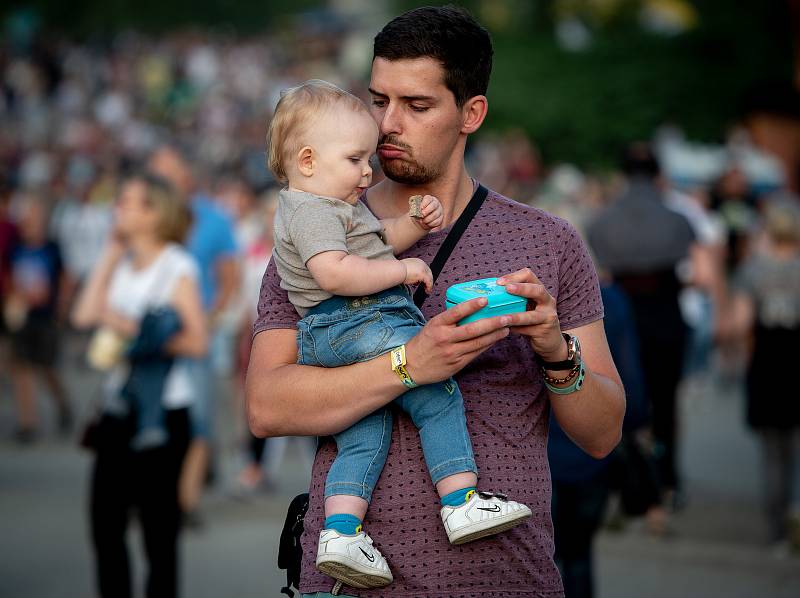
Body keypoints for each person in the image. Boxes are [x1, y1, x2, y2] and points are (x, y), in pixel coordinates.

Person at [247, 6, 625, 597]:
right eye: (378, 101)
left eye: (416, 106)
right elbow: (266, 407)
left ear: (470, 113)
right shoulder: (314, 235)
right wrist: (408, 365)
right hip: (349, 586)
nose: (387, 125)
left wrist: (555, 349)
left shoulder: (546, 241)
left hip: (504, 580)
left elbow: (603, 434)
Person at [267, 79, 531, 589]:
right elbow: (339, 272)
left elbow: (376, 242)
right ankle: (460, 501)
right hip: (356, 319)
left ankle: (341, 532)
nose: (368, 171)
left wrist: (412, 225)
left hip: (336, 337)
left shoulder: (330, 209)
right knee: (436, 392)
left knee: (364, 436)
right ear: (306, 162)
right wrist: (405, 269)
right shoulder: (311, 210)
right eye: (354, 159)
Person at [72, 172, 207, 598]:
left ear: (154, 213)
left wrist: (132, 330)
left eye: (129, 202)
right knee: (104, 525)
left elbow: (197, 340)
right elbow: (82, 315)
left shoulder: (175, 264)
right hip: (118, 407)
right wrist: (111, 253)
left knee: (157, 535)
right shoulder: (123, 263)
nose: (119, 208)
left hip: (165, 413)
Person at [587, 144, 695, 523]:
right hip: (665, 315)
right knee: (666, 402)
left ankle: (624, 480)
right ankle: (666, 480)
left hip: (620, 310)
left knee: (624, 395)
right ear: (657, 173)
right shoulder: (678, 221)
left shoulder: (602, 222)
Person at [148, 145, 240, 521]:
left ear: (185, 179)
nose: (159, 183)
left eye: (167, 175)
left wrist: (211, 317)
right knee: (153, 418)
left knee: (197, 419)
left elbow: (229, 277)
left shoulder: (213, 219)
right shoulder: (145, 216)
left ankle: (185, 504)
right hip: (150, 337)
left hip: (195, 336)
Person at [727, 196, 800, 552]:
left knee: (773, 450)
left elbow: (740, 324)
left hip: (769, 364)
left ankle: (778, 529)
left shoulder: (753, 270)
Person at [7, 194, 72, 442]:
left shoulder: (52, 248)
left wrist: (61, 309)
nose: (29, 221)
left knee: (47, 369)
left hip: (46, 318)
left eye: (34, 216)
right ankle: (28, 423)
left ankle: (63, 404)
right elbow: (11, 277)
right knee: (22, 368)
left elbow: (65, 278)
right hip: (23, 317)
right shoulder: (16, 248)